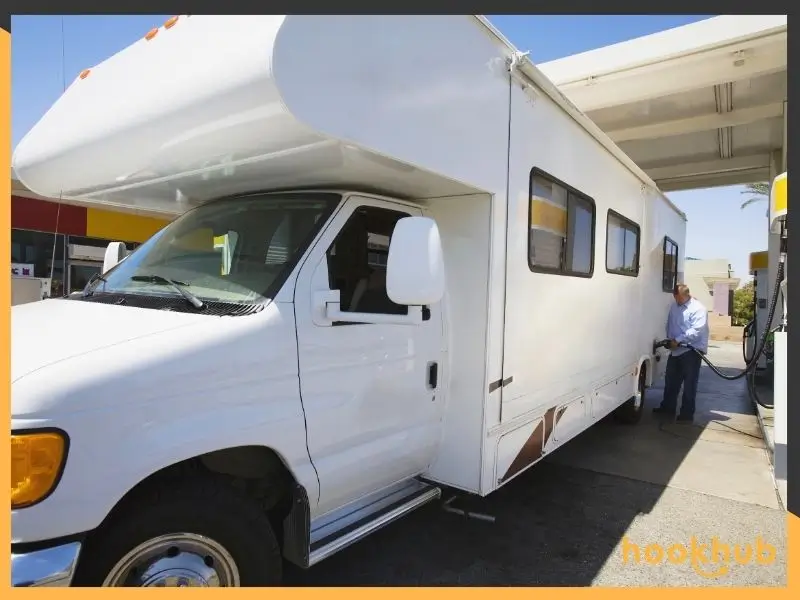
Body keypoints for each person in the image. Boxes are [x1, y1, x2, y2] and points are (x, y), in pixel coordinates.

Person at [653, 284, 709, 423]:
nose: (676, 300)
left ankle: (686, 414)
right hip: (676, 350)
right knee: (671, 381)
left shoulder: (698, 309)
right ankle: (667, 407)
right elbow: (670, 324)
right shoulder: (674, 306)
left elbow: (697, 331)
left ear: (684, 295)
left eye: (677, 297)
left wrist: (677, 340)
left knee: (689, 384)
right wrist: (670, 340)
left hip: (691, 350)